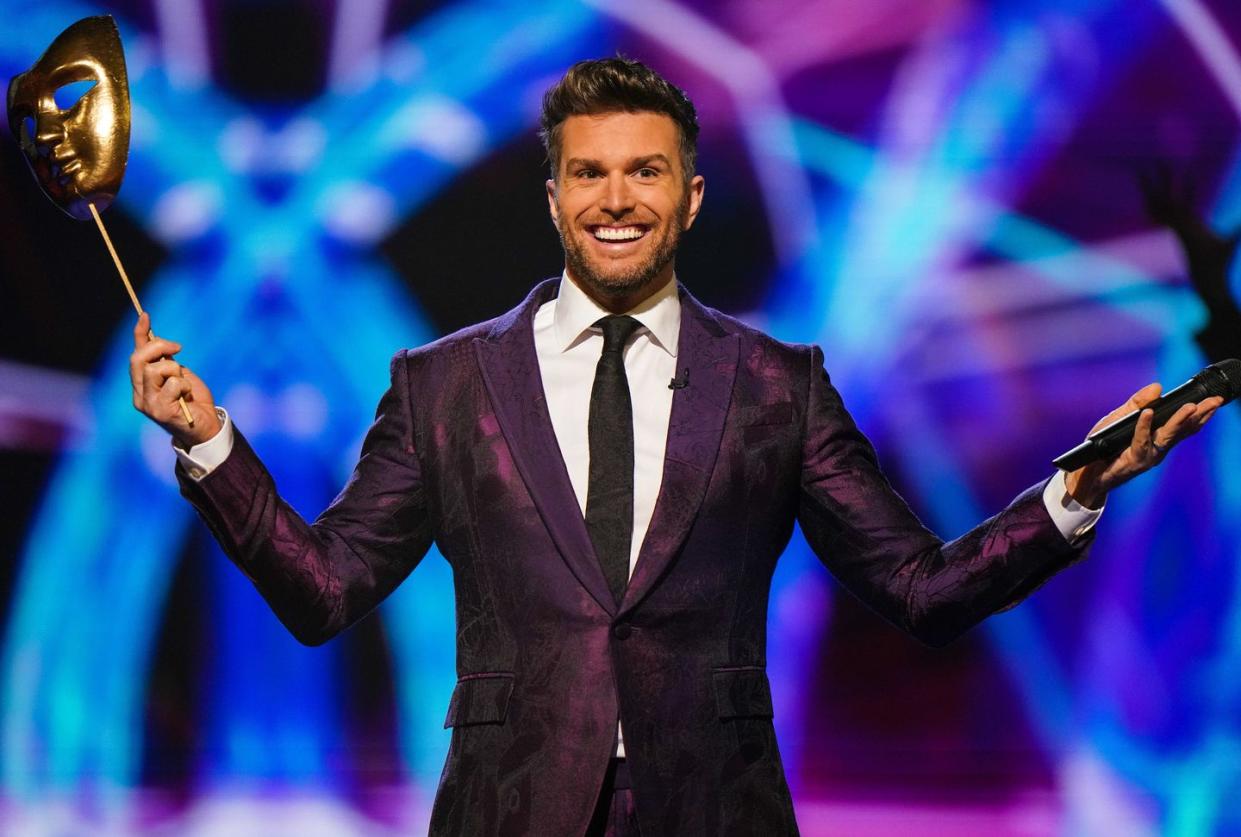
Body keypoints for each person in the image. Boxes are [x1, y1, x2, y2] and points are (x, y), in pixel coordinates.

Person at [129, 57, 1221, 836]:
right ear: (553, 196)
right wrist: (213, 445)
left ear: (689, 197)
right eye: (590, 173)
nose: (616, 199)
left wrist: (1075, 488)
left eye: (644, 172)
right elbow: (324, 591)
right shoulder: (444, 384)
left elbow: (919, 588)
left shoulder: (774, 386)